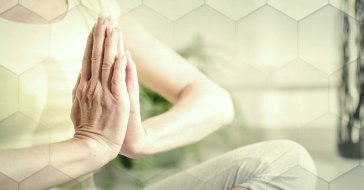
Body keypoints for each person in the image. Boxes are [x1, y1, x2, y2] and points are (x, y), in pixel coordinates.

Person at [0, 0, 317, 189]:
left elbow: (214, 101)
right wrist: (90, 147)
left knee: (289, 162)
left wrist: (140, 139)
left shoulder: (94, 9)